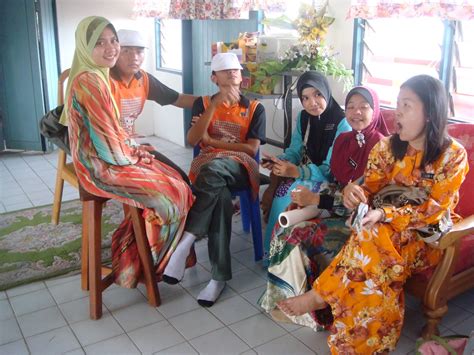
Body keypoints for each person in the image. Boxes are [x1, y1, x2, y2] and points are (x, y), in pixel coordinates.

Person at [276, 75, 469, 354]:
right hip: (380, 232)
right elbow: (369, 188)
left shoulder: (452, 155)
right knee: (374, 264)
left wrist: (384, 214)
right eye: (398, 104)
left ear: (430, 113)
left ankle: (324, 297)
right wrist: (354, 193)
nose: (398, 112)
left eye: (407, 105)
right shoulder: (386, 148)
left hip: (424, 238)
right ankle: (361, 345)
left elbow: (431, 211)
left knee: (372, 240)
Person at [62, 16, 194, 287]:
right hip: (99, 168)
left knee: (179, 182)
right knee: (169, 196)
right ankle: (141, 264)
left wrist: (136, 148)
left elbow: (116, 133)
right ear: (86, 48)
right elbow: (109, 148)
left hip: (116, 157)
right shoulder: (91, 82)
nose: (110, 48)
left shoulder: (99, 76)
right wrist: (135, 155)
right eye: (100, 43)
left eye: (113, 41)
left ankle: (147, 258)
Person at [258, 86, 390, 330]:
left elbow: (366, 201)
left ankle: (318, 306)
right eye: (350, 106)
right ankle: (288, 297)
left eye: (363, 106)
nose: (356, 112)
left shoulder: (382, 148)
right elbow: (334, 181)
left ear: (376, 110)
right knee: (287, 224)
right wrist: (310, 198)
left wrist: (317, 200)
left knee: (304, 230)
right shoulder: (344, 140)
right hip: (335, 205)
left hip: (364, 219)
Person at [162, 53, 266, 307]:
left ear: (242, 76)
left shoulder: (255, 108)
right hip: (209, 168)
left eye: (236, 70)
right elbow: (193, 139)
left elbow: (251, 150)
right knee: (218, 198)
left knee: (214, 169)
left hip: (241, 167)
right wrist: (213, 107)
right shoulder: (203, 103)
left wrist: (212, 142)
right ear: (214, 77)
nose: (232, 73)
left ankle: (186, 240)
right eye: (225, 70)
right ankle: (218, 278)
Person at [261, 71, 351, 257]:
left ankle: (287, 258)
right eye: (306, 97)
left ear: (326, 91)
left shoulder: (342, 123)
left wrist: (295, 171)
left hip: (330, 182)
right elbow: (295, 150)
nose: (312, 102)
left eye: (318, 94)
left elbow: (330, 169)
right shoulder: (304, 118)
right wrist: (281, 161)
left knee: (290, 199)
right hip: (305, 174)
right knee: (281, 197)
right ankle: (273, 257)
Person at [111, 29, 197, 184]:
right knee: (162, 184)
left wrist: (214, 101)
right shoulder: (104, 82)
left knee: (180, 178)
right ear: (115, 53)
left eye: (139, 51)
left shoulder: (143, 79)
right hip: (109, 151)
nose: (134, 57)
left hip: (131, 147)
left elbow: (178, 98)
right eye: (126, 51)